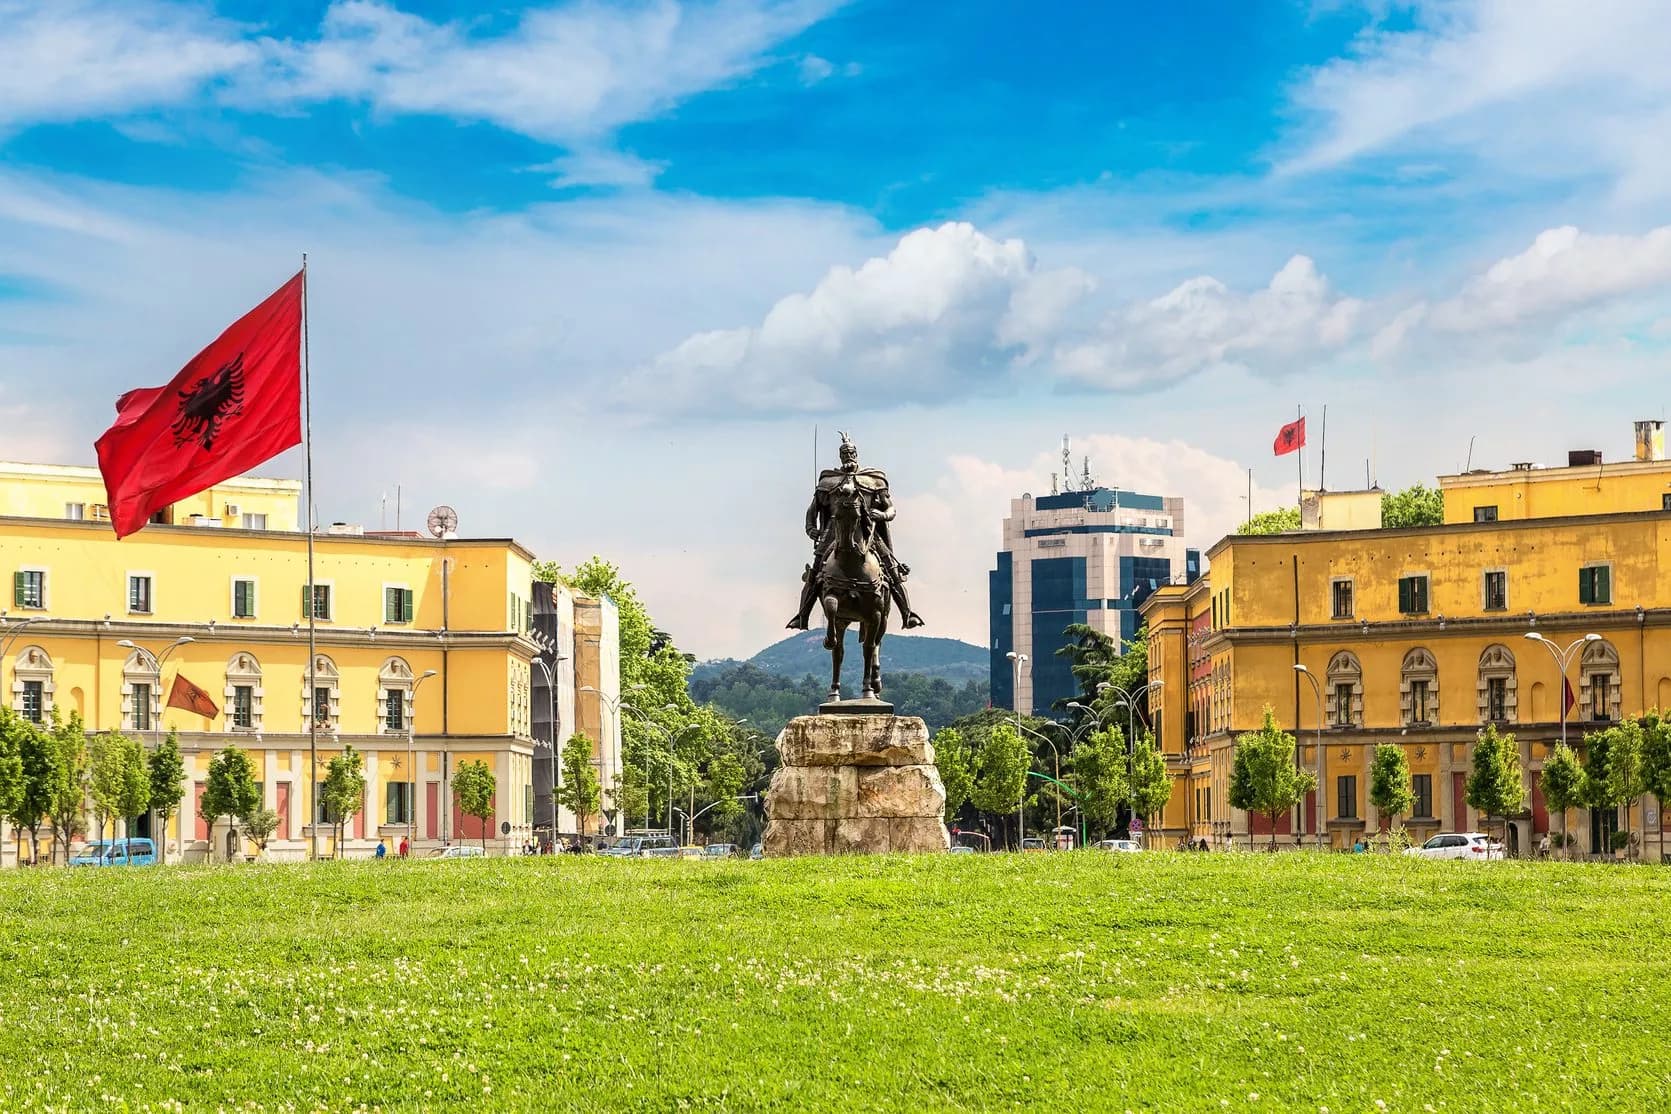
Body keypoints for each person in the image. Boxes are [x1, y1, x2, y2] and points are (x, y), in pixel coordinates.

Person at [787, 432, 924, 630]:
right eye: (844, 454)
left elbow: (891, 509)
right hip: (833, 532)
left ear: (856, 454)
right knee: (815, 572)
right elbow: (812, 511)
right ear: (840, 456)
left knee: (891, 571)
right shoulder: (828, 481)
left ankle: (907, 613)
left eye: (851, 453)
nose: (848, 457)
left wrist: (882, 515)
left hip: (867, 532)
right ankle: (802, 615)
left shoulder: (874, 480)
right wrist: (811, 530)